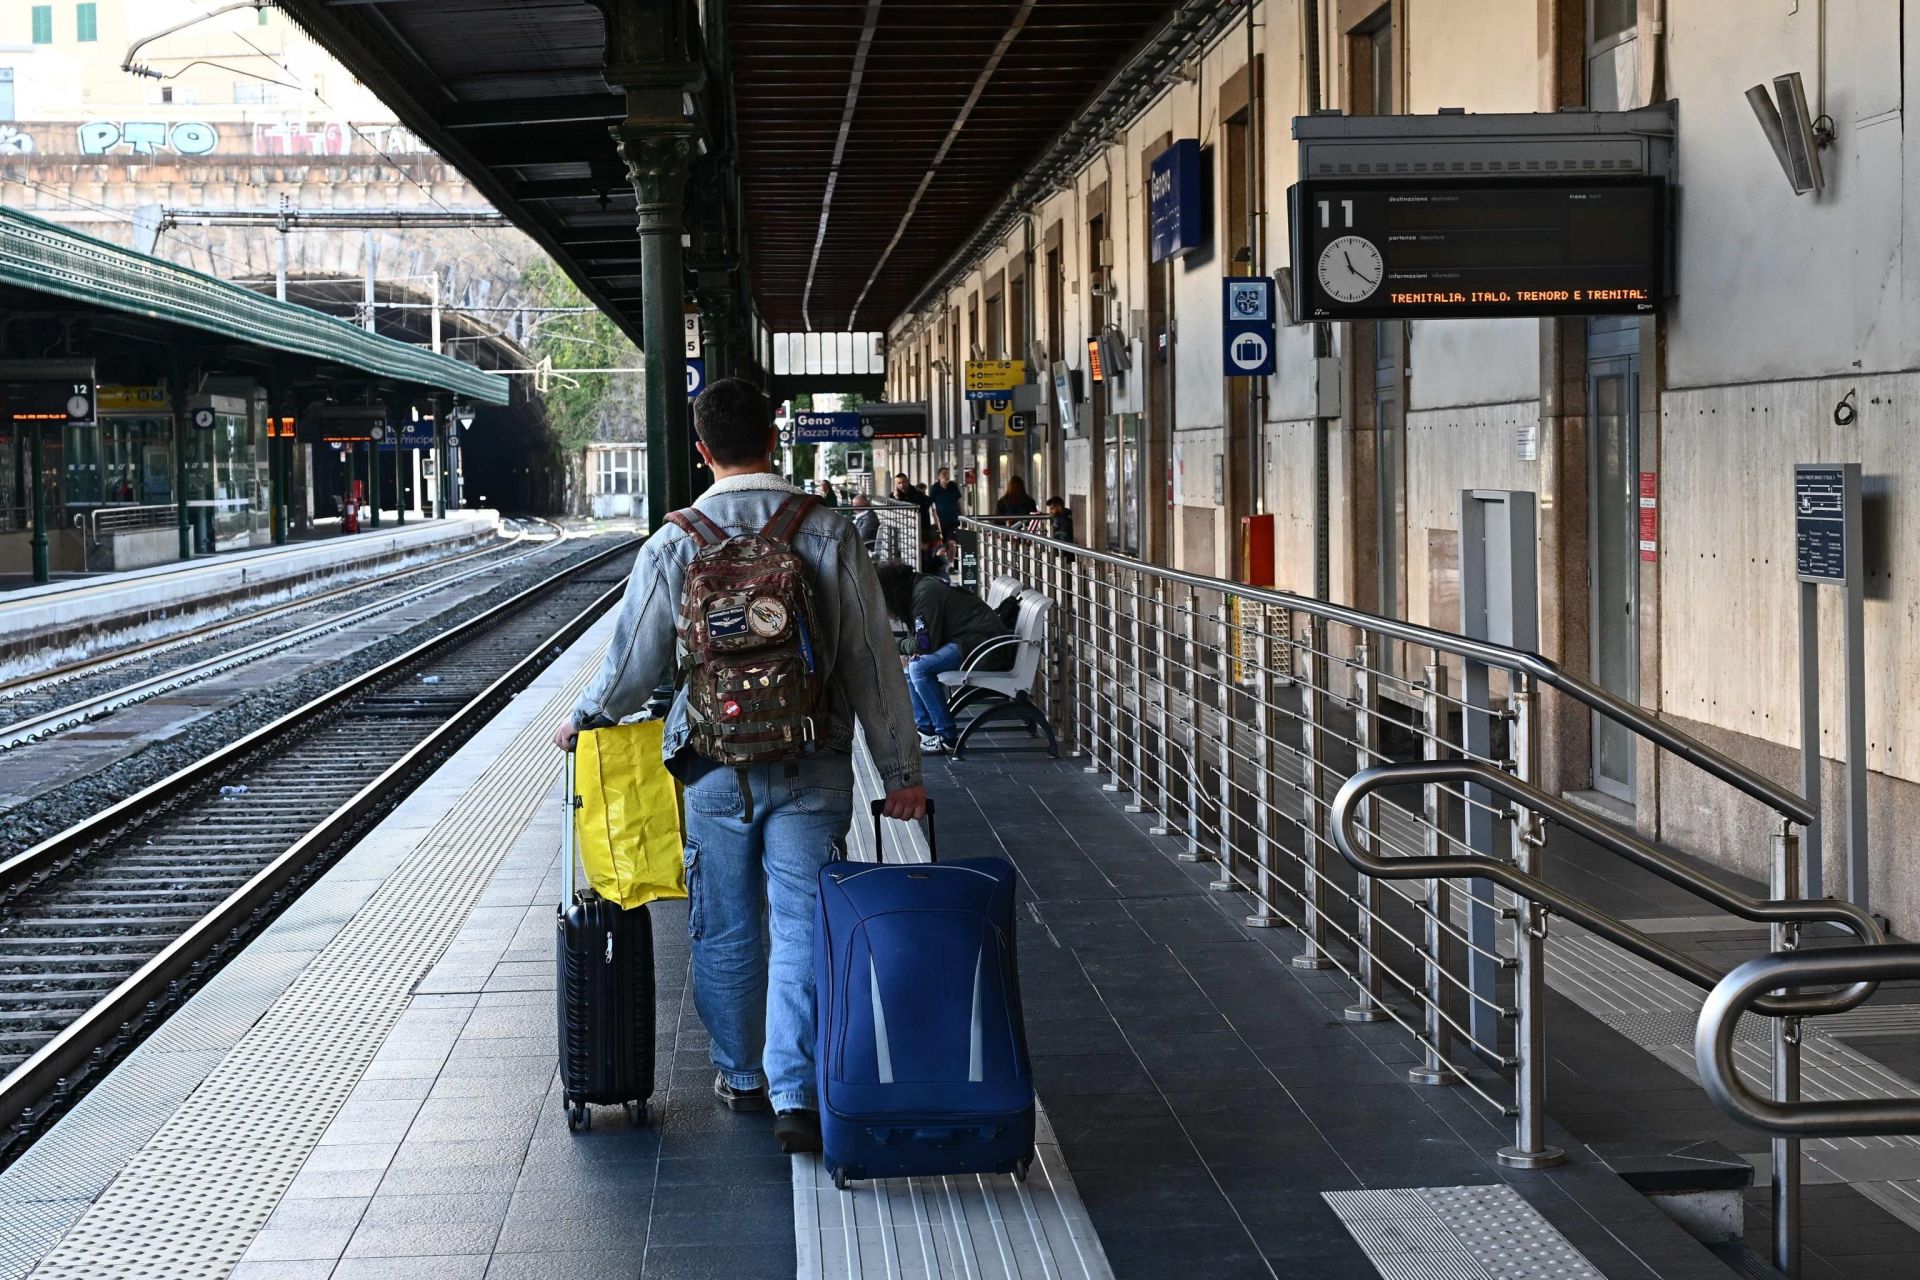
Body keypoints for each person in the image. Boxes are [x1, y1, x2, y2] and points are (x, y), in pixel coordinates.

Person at [554, 377, 925, 1155]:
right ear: (775, 438)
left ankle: (742, 1076)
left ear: (702, 450)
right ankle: (796, 1089)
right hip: (812, 758)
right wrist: (900, 773)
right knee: (800, 923)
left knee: (724, 928)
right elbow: (870, 660)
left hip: (713, 765)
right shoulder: (825, 530)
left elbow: (632, 661)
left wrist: (585, 719)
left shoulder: (674, 540)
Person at [875, 560, 1014, 754]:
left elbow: (925, 644)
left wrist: (896, 646)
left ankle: (947, 736)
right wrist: (909, 650)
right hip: (971, 641)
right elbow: (923, 639)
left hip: (985, 645)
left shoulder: (924, 594)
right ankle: (926, 731)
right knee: (910, 667)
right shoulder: (918, 587)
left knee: (919, 668)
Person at [928, 466, 962, 536]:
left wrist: (962, 515)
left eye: (948, 474)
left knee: (952, 539)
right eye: (944, 474)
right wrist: (935, 519)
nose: (946, 476)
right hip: (941, 519)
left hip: (953, 518)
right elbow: (932, 505)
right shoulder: (935, 488)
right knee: (943, 540)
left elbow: (958, 501)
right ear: (938, 476)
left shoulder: (953, 485)